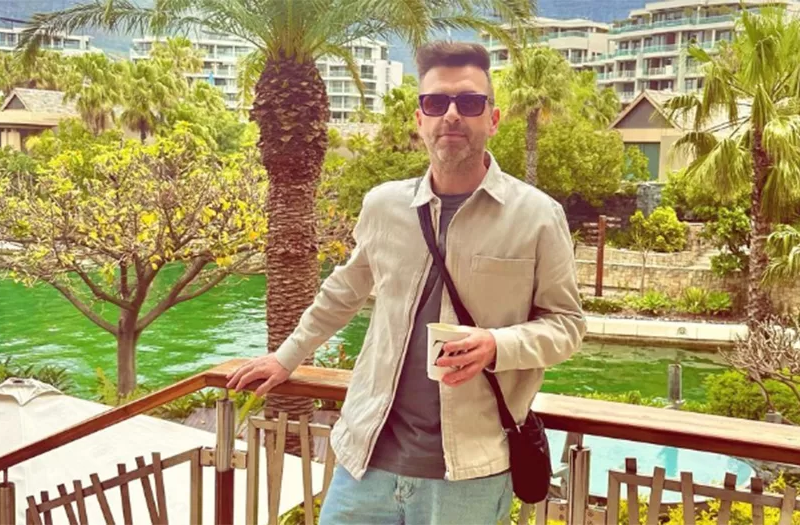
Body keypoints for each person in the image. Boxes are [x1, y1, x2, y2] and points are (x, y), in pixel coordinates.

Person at [227, 41, 585, 524]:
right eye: (436, 103)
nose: (451, 115)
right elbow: (343, 291)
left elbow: (566, 326)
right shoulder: (383, 206)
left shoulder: (538, 217)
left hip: (468, 476)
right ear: (419, 120)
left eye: (469, 102)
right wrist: (286, 356)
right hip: (365, 462)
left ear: (493, 118)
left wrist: (496, 345)